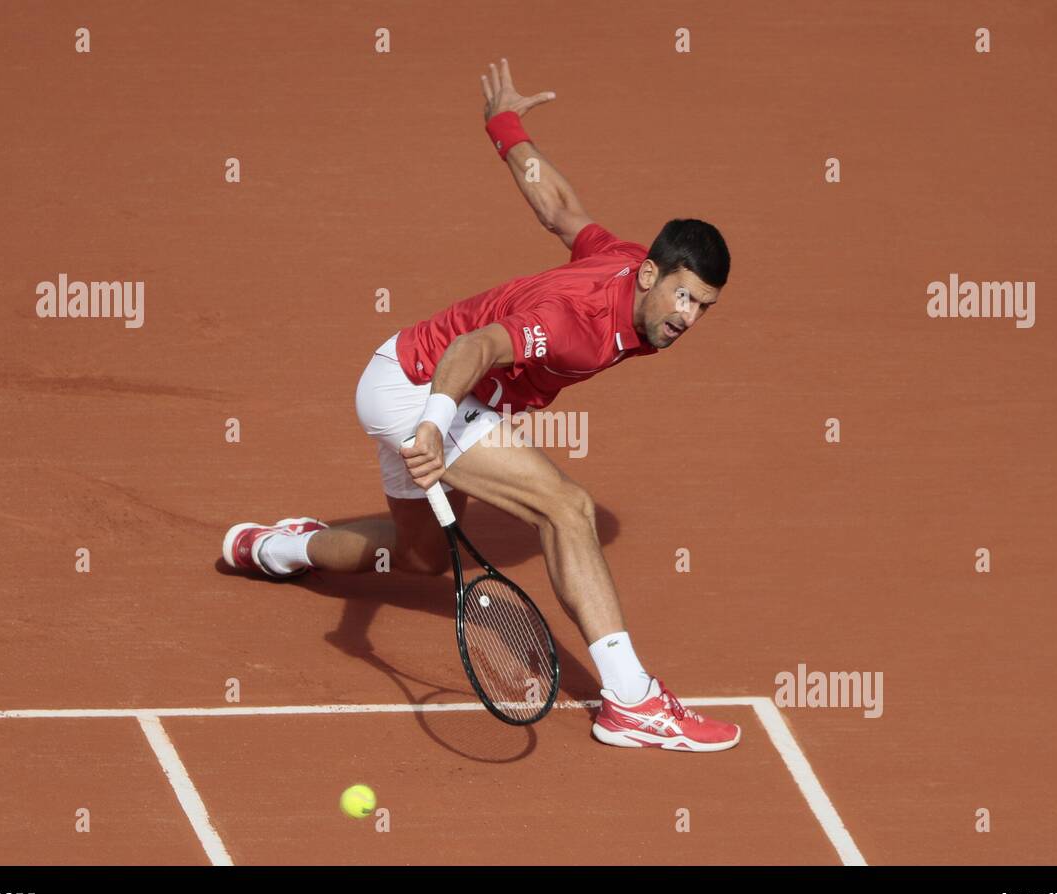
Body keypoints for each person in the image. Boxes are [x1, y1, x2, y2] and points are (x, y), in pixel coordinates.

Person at [223, 59, 739, 752]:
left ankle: (277, 548)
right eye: (681, 296)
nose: (688, 316)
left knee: (422, 559)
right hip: (422, 386)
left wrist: (504, 126)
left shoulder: (619, 262)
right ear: (650, 275)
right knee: (568, 507)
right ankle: (632, 701)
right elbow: (477, 345)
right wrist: (434, 425)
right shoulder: (574, 323)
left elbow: (560, 209)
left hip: (406, 377)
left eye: (702, 306)